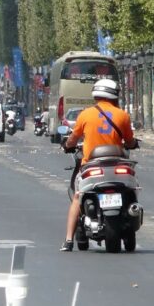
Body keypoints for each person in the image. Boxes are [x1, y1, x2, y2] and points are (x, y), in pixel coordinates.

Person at [59, 78, 137, 252]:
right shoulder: (122, 115)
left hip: (91, 167)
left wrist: (67, 145)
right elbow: (130, 141)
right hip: (118, 166)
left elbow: (73, 139)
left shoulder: (85, 115)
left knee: (78, 197)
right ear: (115, 95)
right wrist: (131, 144)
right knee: (130, 190)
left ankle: (68, 240)